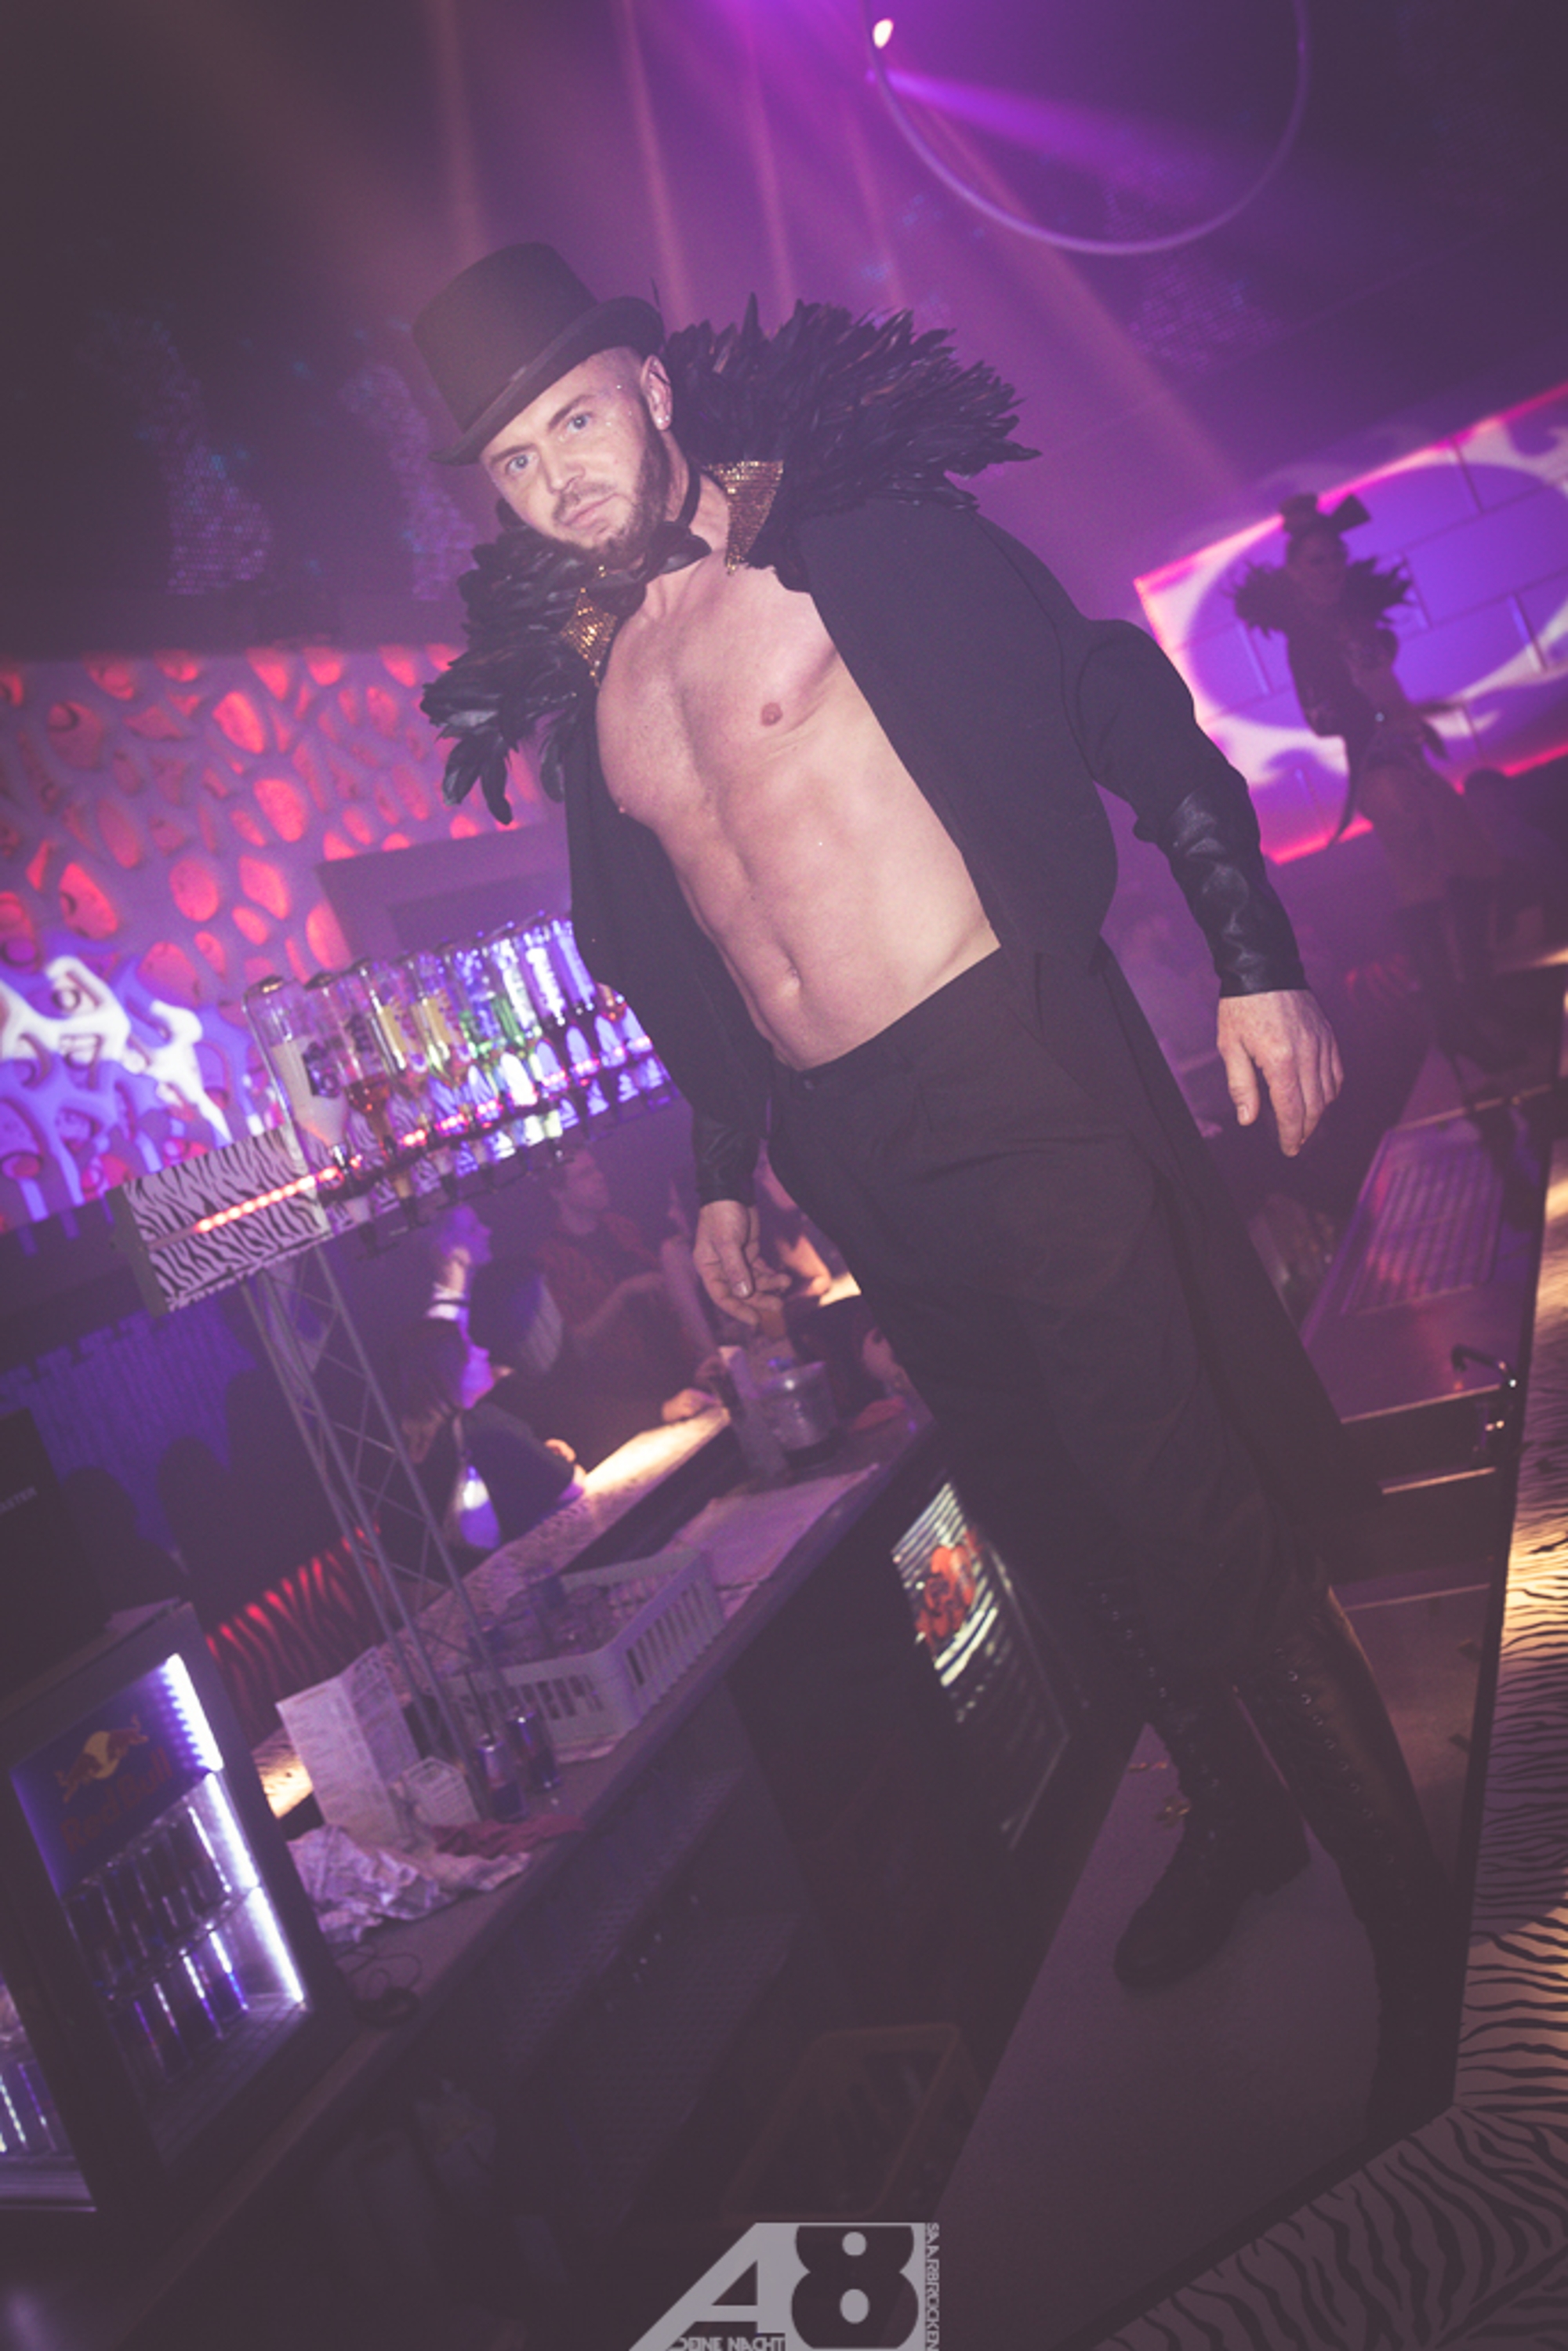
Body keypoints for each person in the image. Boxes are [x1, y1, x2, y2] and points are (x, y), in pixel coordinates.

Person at [413, 245, 1454, 2131]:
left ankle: (1415, 1947)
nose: (556, 477)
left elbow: (1112, 698)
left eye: (573, 419)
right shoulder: (599, 698)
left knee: (1182, 1505)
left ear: (651, 386)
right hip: (849, 1155)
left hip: (1008, 1078)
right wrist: (721, 1174)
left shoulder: (851, 539)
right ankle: (1237, 1819)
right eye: (513, 460)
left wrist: (1252, 953)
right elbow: (689, 964)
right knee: (1051, 1517)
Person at [1232, 493, 1511, 1071]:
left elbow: (1382, 683)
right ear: (1294, 571)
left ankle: (1473, 998)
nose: (1331, 568)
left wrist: (1406, 714)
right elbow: (1320, 717)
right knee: (1422, 884)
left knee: (1477, 863)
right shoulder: (1306, 638)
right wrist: (1382, 717)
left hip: (1405, 757)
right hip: (1378, 764)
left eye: (1336, 557)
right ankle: (1457, 1020)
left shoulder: (1350, 618)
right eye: (1317, 561)